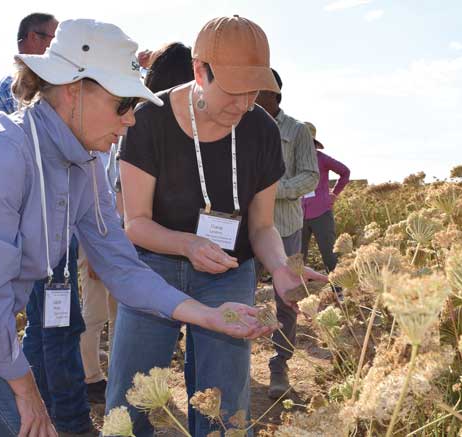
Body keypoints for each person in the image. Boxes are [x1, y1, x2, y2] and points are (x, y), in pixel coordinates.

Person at [0, 19, 271, 437]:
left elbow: (123, 269)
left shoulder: (85, 165)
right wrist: (27, 392)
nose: (131, 120)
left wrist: (209, 316)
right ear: (74, 90)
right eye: (123, 104)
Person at [106, 16, 326, 437]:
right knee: (131, 399)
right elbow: (135, 223)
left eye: (253, 92)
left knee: (224, 403)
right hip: (154, 270)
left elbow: (261, 226)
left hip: (228, 272)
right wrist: (187, 244)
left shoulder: (261, 130)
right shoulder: (149, 120)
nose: (243, 104)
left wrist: (281, 267)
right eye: (233, 89)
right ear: (199, 70)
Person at [76, 41, 194, 406]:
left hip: (128, 246)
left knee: (120, 317)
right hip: (113, 239)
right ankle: (93, 377)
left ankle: (122, 384)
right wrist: (102, 253)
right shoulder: (133, 124)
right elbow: (112, 196)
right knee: (96, 315)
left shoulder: (139, 119)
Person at [0, 13, 94, 436]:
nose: (57, 47)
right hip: (44, 229)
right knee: (61, 326)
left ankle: (44, 417)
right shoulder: (13, 91)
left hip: (52, 227)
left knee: (44, 325)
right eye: (52, 38)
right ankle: (71, 422)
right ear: (31, 39)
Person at [254, 68, 319, 398]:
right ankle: (235, 363)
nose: (250, 94)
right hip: (245, 230)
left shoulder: (297, 130)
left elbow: (311, 177)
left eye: (257, 89)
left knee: (288, 300)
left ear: (273, 94)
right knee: (236, 294)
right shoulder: (240, 124)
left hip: (287, 227)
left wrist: (275, 190)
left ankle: (280, 365)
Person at [301, 122, 350, 273]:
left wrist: (334, 194)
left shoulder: (322, 159)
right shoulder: (291, 160)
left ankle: (338, 288)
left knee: (329, 253)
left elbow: (345, 172)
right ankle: (298, 290)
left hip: (321, 212)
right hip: (297, 215)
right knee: (297, 256)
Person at [0, 13, 58, 114]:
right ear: (34, 37)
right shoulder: (8, 85)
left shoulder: (6, 85)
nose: (59, 44)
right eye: (56, 38)